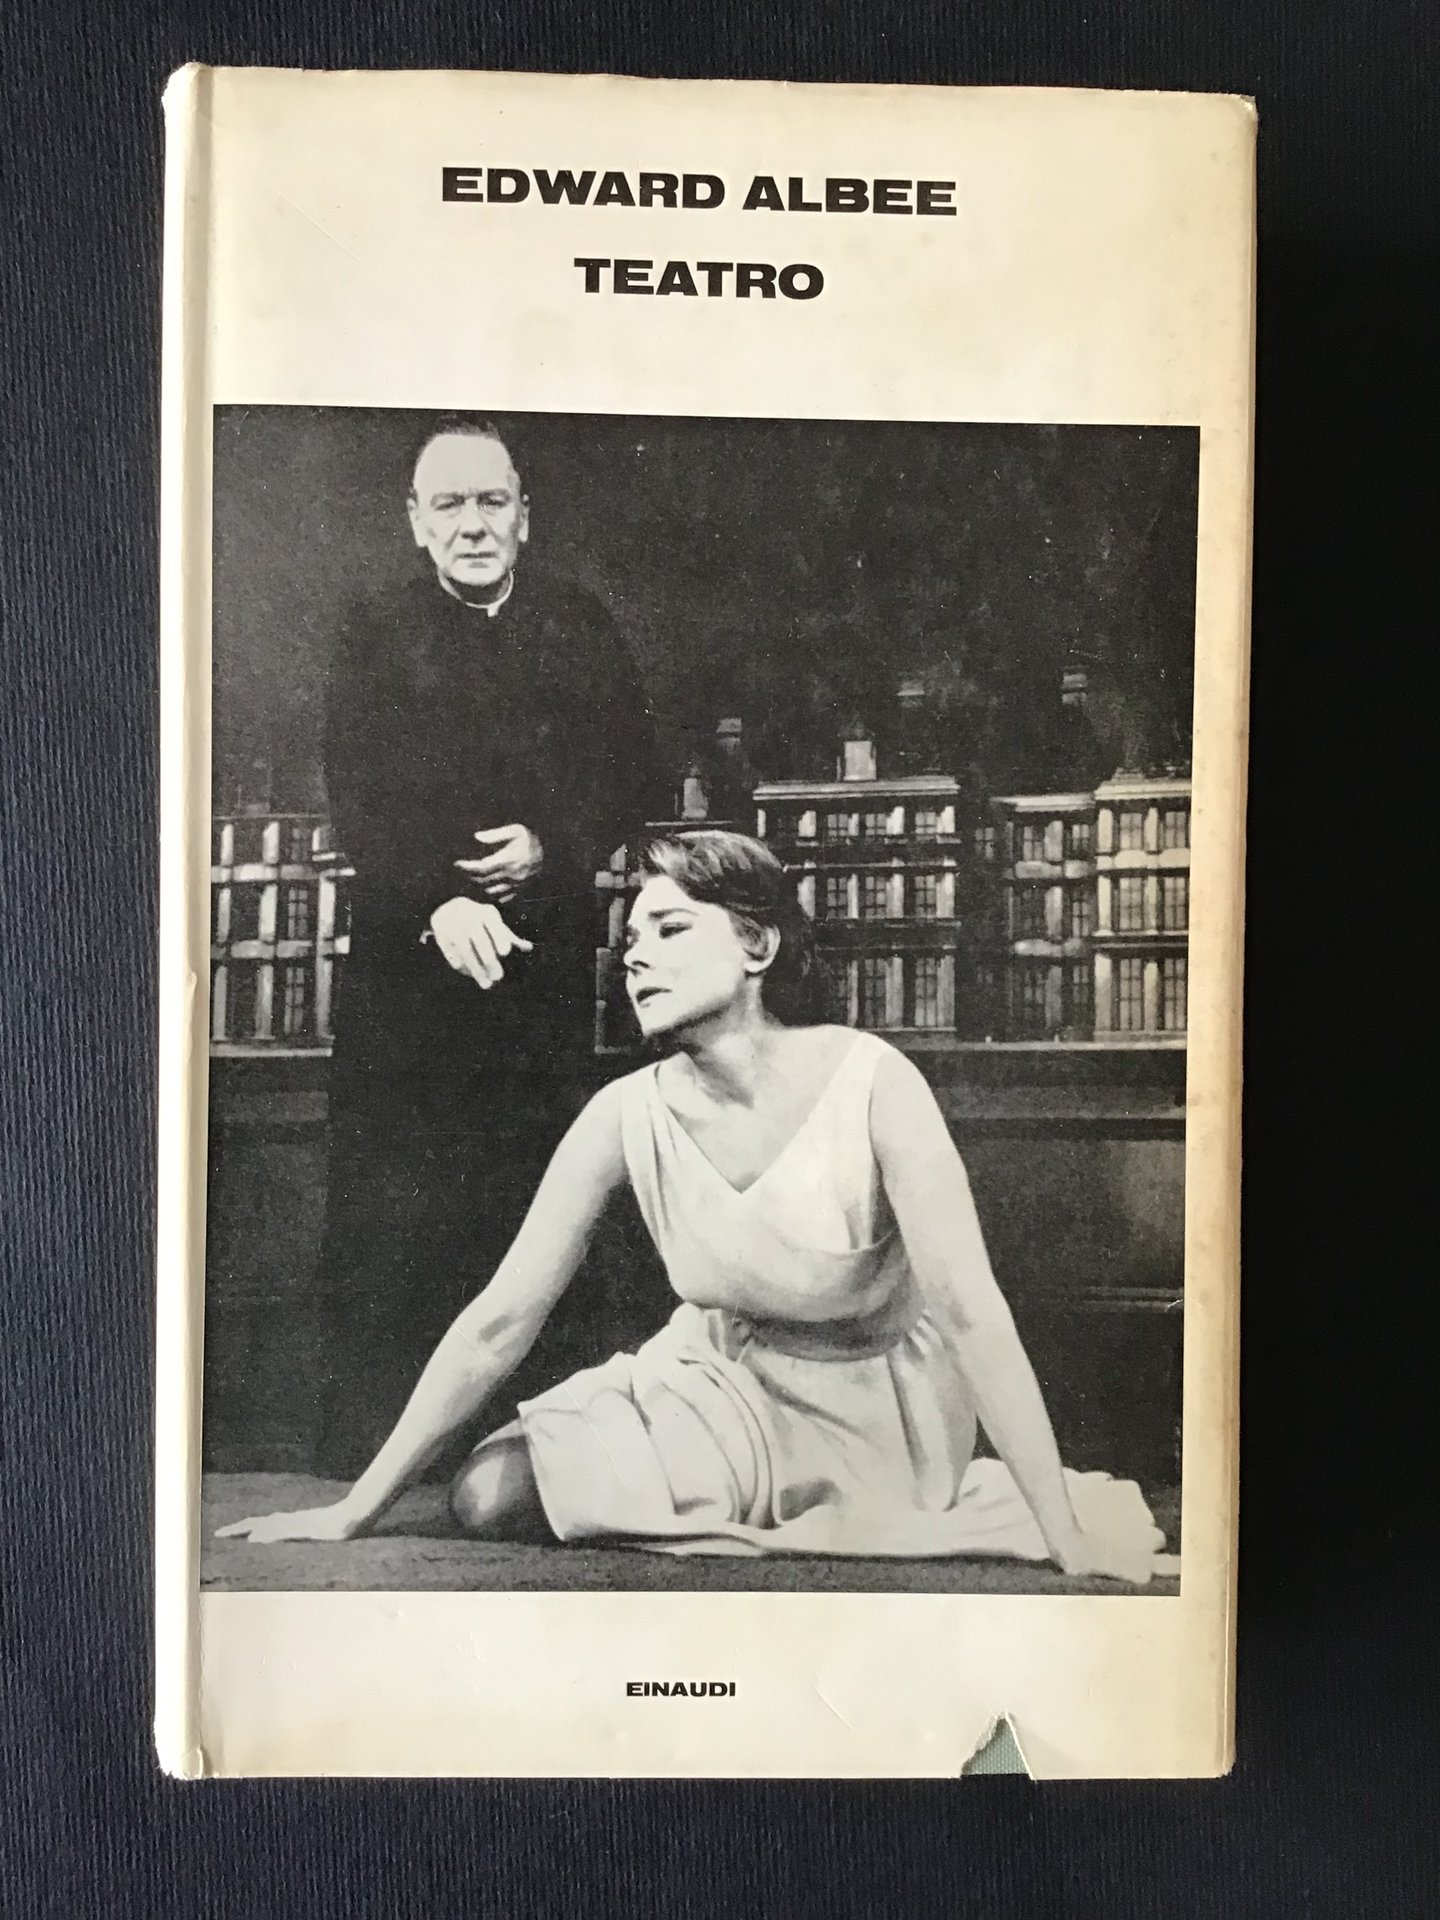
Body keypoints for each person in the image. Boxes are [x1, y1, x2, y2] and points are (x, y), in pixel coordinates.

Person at [228, 831, 1168, 1582]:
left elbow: (971, 1316)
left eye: (672, 930)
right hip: (721, 1381)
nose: (637, 958)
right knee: (487, 1493)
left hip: (881, 1405)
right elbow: (499, 1320)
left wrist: (1064, 1537)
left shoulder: (875, 1080)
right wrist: (353, 1509)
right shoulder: (624, 1112)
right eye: (632, 940)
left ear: (758, 945)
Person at [313, 415, 665, 1472]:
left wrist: (554, 845)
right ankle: (386, 1453)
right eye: (451, 505)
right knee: (399, 1192)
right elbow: (356, 796)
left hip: (539, 968)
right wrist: (438, 900)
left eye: (492, 502)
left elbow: (633, 774)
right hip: (405, 967)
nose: (474, 525)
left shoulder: (579, 626)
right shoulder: (374, 634)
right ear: (417, 524)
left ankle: (529, 1450)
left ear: (525, 516)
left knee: (535, 1185)